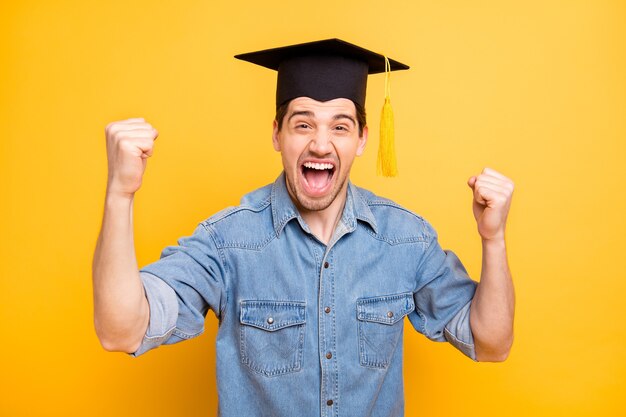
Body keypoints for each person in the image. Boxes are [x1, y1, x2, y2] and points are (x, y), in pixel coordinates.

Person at [92, 39, 515, 417]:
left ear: (363, 139)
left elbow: (492, 344)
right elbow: (121, 330)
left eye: (340, 126)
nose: (320, 143)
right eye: (303, 124)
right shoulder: (227, 242)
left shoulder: (406, 239)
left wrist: (492, 239)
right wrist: (120, 194)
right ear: (277, 134)